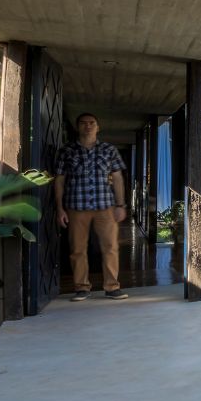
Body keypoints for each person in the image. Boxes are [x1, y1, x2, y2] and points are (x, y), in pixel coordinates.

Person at [54, 113, 129, 301]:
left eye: (92, 123)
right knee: (77, 249)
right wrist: (60, 208)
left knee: (110, 246)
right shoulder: (67, 150)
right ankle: (81, 287)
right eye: (83, 123)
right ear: (77, 127)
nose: (88, 126)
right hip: (76, 206)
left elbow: (118, 178)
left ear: (98, 127)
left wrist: (121, 205)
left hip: (105, 206)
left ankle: (112, 287)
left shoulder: (109, 150)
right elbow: (59, 180)